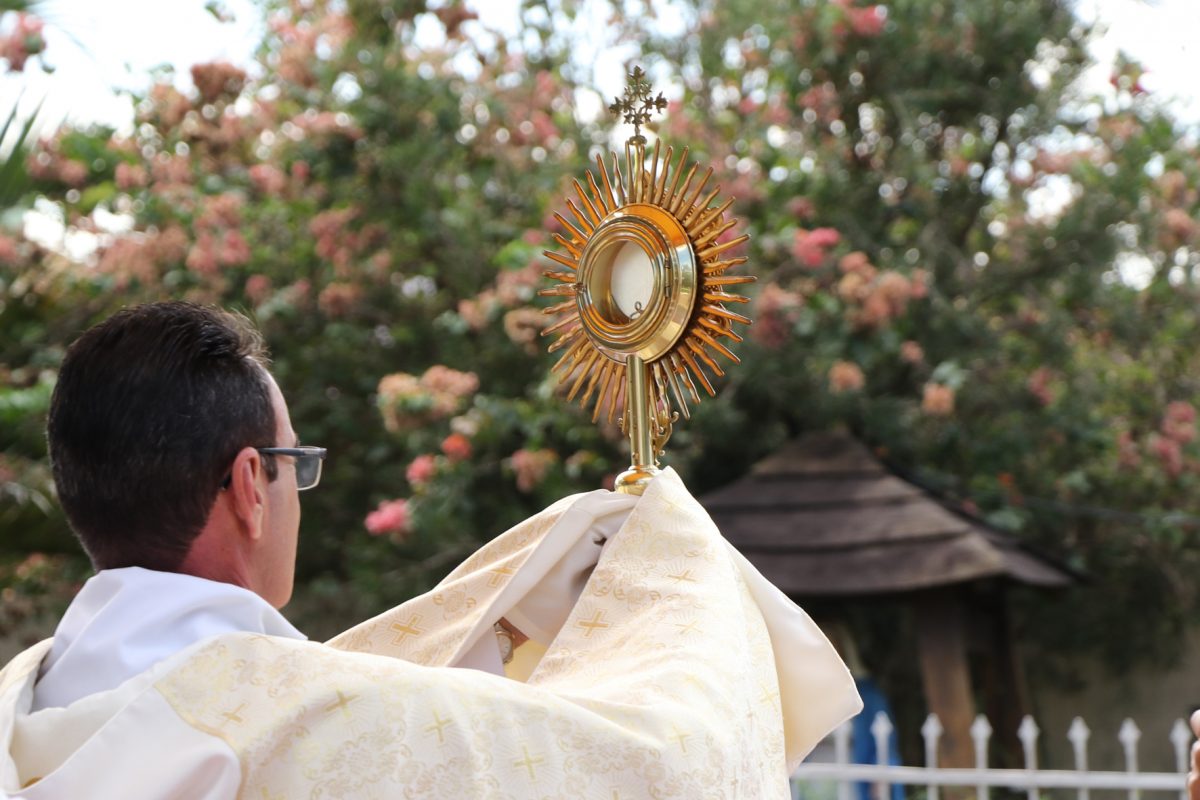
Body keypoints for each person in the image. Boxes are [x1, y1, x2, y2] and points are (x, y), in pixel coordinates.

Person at [0, 301, 861, 798]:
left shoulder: (23, 707)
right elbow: (655, 766)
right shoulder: (294, 714)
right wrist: (676, 554)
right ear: (250, 486)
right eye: (296, 463)